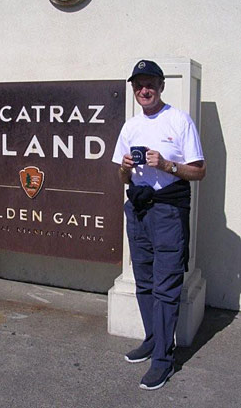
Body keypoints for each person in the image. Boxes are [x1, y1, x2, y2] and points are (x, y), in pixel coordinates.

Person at [112, 59, 206, 390]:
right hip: (137, 210)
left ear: (161, 86)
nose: (144, 90)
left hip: (168, 212)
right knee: (144, 281)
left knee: (166, 287)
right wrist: (124, 167)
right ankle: (153, 339)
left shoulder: (179, 121)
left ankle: (163, 362)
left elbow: (199, 170)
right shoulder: (130, 127)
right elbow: (121, 176)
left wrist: (167, 164)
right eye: (138, 85)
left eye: (150, 83)